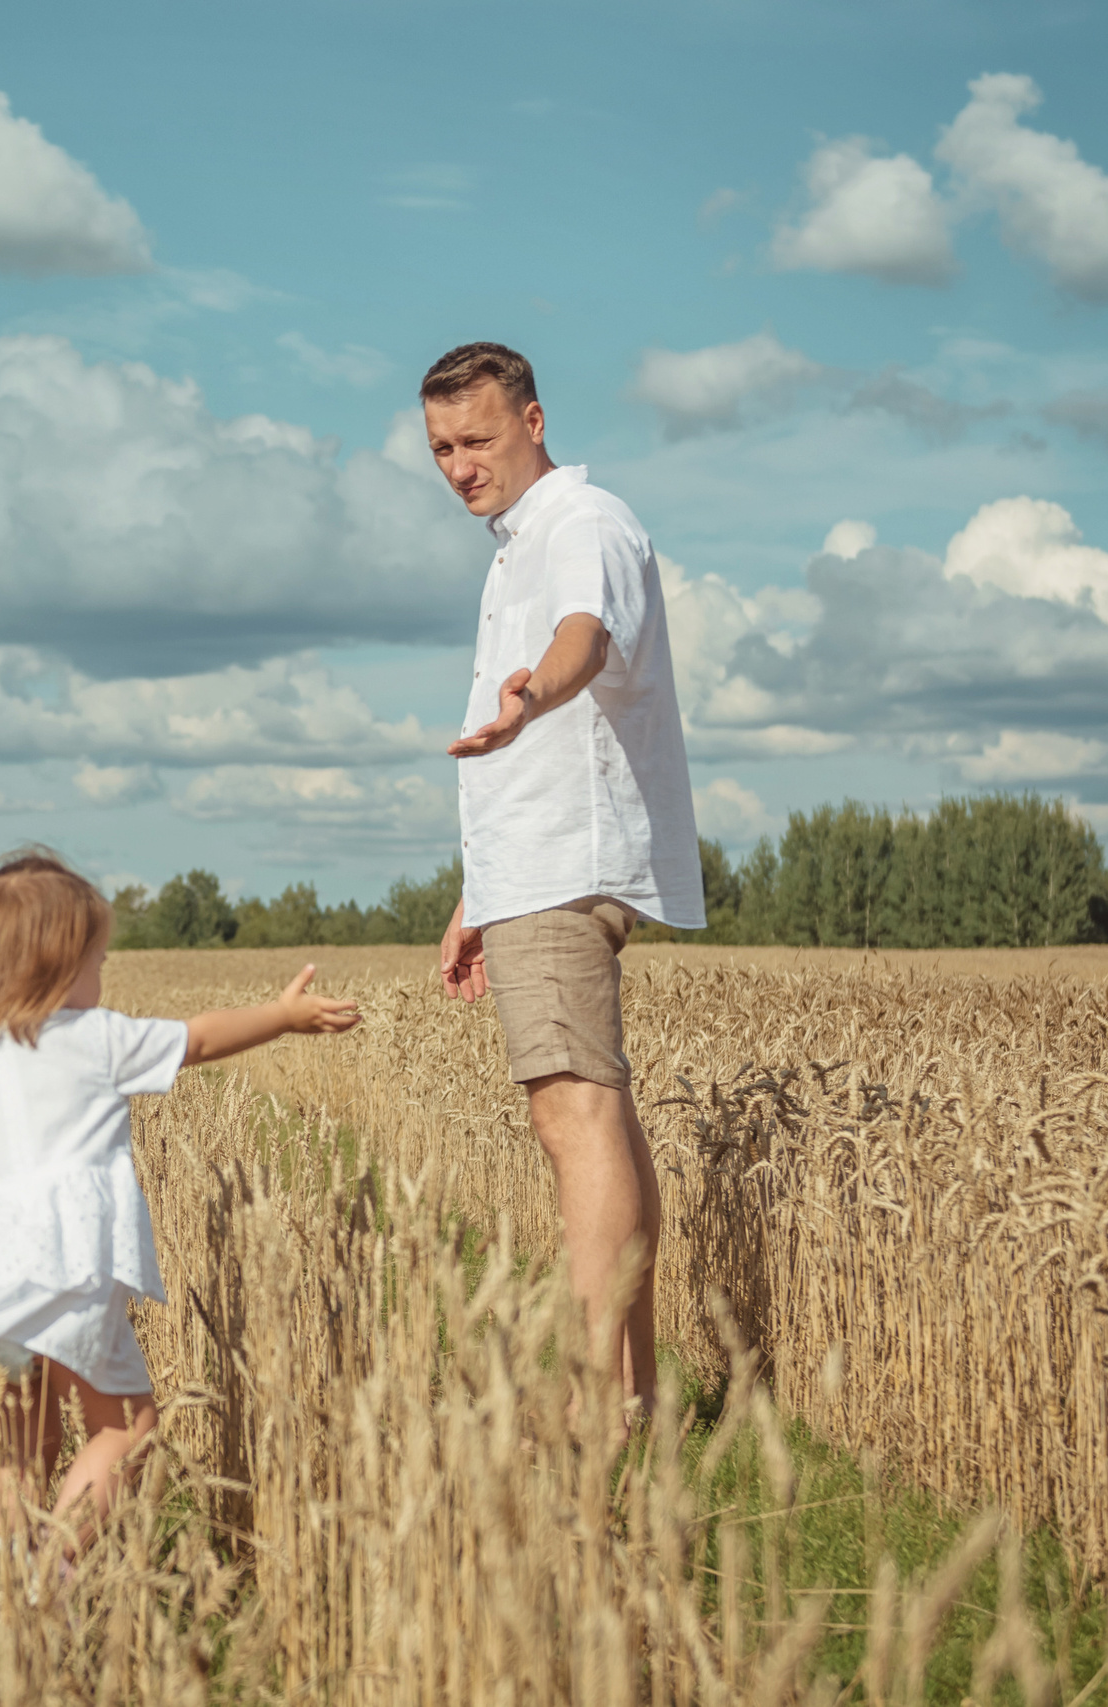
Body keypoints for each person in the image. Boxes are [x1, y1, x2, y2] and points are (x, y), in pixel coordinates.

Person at [0, 849, 360, 1597]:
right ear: (56, 968)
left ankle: (3, 1592)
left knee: (22, 1444)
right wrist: (283, 1017)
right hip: (71, 1264)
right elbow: (200, 1039)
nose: (101, 979)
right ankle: (50, 1573)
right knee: (126, 1428)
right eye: (96, 961)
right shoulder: (92, 1037)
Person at [420, 342, 704, 1417]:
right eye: (442, 447)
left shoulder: (579, 526)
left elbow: (585, 636)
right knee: (599, 1114)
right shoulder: (521, 543)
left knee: (571, 1116)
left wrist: (529, 694)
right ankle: (625, 1396)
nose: (459, 465)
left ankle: (597, 1402)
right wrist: (476, 896)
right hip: (532, 866)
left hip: (561, 866)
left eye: (478, 439)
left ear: (532, 421)